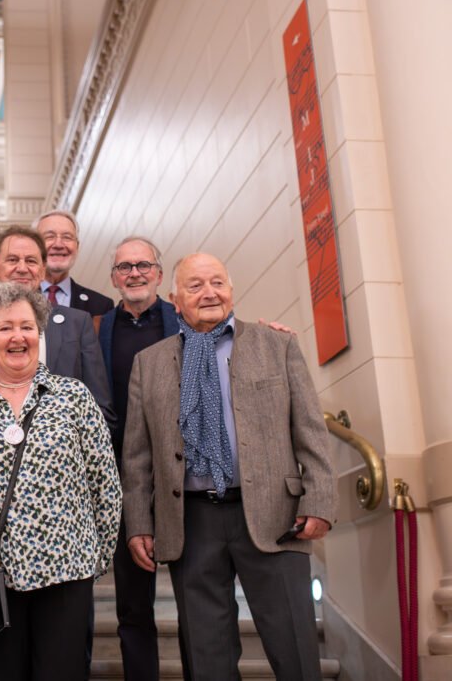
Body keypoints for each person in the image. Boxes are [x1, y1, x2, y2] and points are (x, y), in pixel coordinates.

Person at [123, 252, 337, 681]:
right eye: (196, 286)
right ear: (175, 300)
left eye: (217, 283)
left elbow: (310, 430)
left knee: (294, 649)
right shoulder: (149, 363)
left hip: (276, 516)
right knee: (207, 658)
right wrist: (139, 523)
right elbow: (137, 456)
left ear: (232, 291)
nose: (209, 293)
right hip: (192, 520)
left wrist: (320, 501)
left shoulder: (277, 345)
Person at [0, 281, 121, 680]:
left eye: (26, 327)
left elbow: (105, 486)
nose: (17, 337)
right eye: (5, 327)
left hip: (67, 572)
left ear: (39, 334)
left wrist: (93, 558)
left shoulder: (74, 397)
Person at [0, 225, 112, 437]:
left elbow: (100, 408)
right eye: (12, 260)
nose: (22, 268)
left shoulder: (77, 324)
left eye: (31, 261)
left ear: (43, 269)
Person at [96, 236, 179, 681]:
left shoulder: (184, 321)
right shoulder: (98, 329)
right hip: (123, 475)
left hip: (180, 470)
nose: (134, 273)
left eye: (143, 265)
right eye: (124, 267)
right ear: (113, 278)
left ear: (159, 274)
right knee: (133, 602)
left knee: (196, 597)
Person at [34, 210, 114, 323]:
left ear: (77, 246)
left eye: (67, 237)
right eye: (49, 237)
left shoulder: (101, 306)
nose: (58, 245)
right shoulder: (17, 298)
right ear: (34, 246)